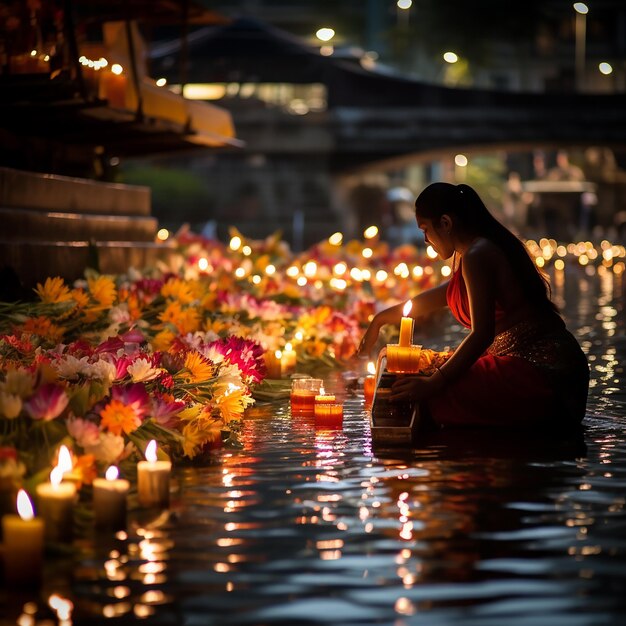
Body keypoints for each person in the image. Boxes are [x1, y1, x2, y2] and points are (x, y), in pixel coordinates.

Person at [357, 182, 589, 430]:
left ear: (445, 223)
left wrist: (435, 383)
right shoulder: (473, 250)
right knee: (411, 369)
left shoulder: (478, 254)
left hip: (542, 374)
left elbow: (482, 334)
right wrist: (379, 320)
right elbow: (435, 298)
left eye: (426, 229)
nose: (425, 239)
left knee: (422, 392)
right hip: (528, 365)